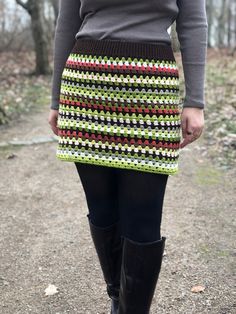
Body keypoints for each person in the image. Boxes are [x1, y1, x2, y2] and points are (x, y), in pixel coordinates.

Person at [48, 1, 208, 313]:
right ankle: (118, 296)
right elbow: (67, 22)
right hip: (86, 85)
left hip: (150, 86)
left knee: (143, 218)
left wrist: (196, 100)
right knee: (102, 209)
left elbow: (193, 22)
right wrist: (56, 99)